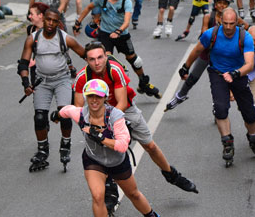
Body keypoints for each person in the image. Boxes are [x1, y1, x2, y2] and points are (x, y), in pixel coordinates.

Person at [54, 78, 181, 217]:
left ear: (105, 98)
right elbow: (66, 110)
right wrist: (56, 116)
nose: (94, 101)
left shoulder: (115, 117)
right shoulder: (81, 114)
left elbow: (123, 144)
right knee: (98, 195)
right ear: (86, 97)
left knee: (134, 195)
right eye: (90, 97)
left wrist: (101, 138)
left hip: (117, 162)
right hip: (94, 160)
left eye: (98, 97)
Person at [74, 42, 199, 193]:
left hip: (124, 110)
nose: (97, 62)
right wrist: (96, 129)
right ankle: (109, 188)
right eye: (92, 59)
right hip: (96, 116)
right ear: (86, 60)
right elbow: (79, 111)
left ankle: (171, 174)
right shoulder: (82, 77)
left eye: (100, 57)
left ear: (106, 57)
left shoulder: (114, 70)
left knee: (150, 146)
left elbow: (122, 103)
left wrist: (111, 125)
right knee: (104, 152)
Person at [179, 8, 255, 167]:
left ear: (237, 22)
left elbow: (249, 64)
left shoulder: (245, 37)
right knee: (220, 109)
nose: (228, 27)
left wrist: (236, 73)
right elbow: (197, 50)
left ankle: (254, 140)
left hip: (238, 74)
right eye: (225, 23)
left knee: (250, 113)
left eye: (232, 23)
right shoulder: (211, 34)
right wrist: (185, 67)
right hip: (218, 74)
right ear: (220, 21)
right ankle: (227, 143)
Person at [18, 8, 85, 172]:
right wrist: (26, 83)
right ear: (44, 19)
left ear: (58, 23)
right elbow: (23, 64)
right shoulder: (33, 39)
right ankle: (42, 150)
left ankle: (65, 144)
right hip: (42, 81)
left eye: (54, 21)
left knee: (65, 114)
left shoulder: (65, 39)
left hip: (62, 79)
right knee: (40, 117)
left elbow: (86, 54)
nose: (50, 23)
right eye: (48, 20)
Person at [73, 0, 162, 99]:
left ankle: (143, 83)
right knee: (106, 60)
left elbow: (126, 22)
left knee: (135, 60)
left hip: (122, 34)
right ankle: (103, 89)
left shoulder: (126, 1)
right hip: (105, 34)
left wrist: (118, 31)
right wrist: (78, 23)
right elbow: (88, 7)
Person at [169, 0, 249, 110]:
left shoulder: (233, 19)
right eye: (219, 2)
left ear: (228, 5)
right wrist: (185, 67)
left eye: (225, 3)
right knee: (193, 77)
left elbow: (248, 28)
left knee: (223, 82)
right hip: (207, 53)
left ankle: (218, 105)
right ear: (215, 3)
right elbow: (204, 36)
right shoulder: (208, 17)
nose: (222, 5)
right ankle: (181, 95)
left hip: (223, 57)